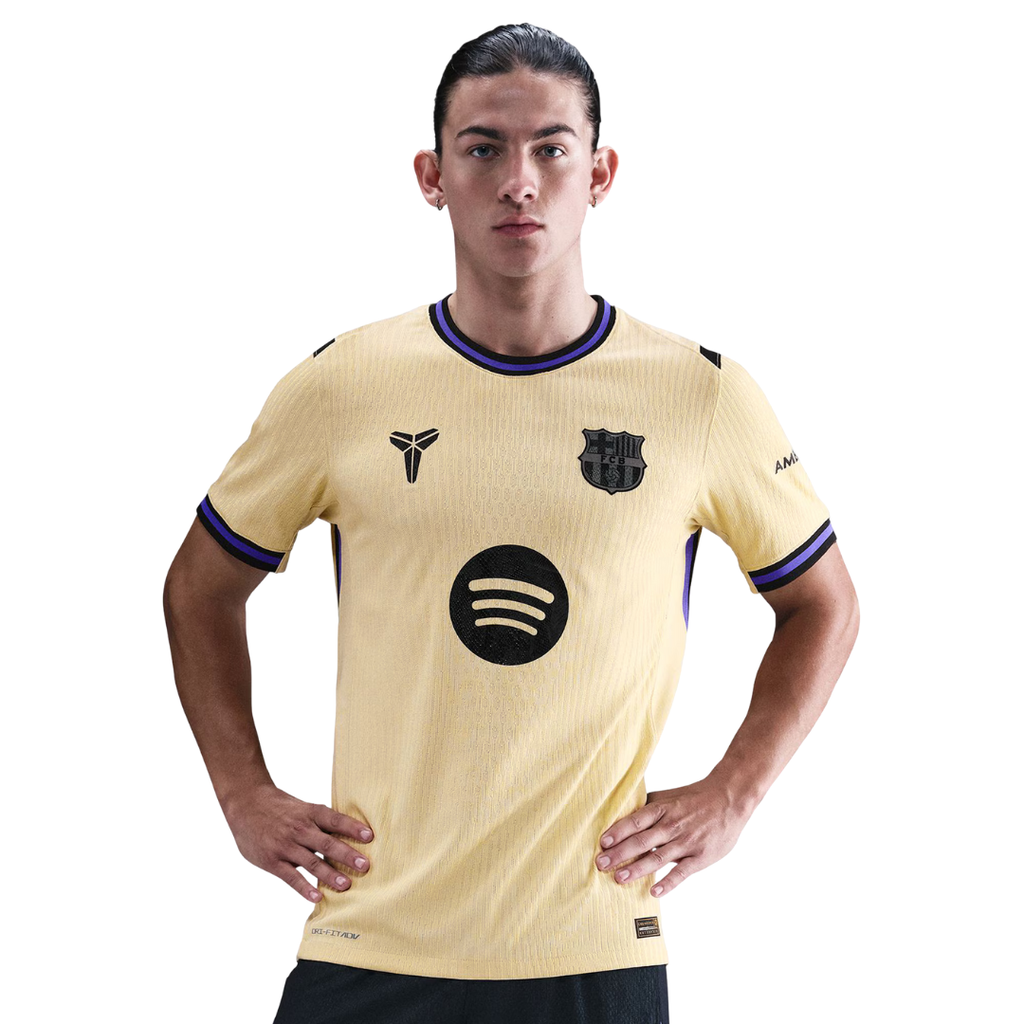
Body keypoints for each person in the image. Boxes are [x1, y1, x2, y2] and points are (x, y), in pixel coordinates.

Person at [163, 22, 859, 1024]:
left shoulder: (701, 396)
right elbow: (200, 585)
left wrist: (734, 792)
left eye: (551, 149)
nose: (519, 182)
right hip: (372, 937)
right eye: (483, 148)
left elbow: (824, 603)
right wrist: (243, 792)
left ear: (600, 173)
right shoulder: (341, 386)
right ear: (433, 175)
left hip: (590, 949)